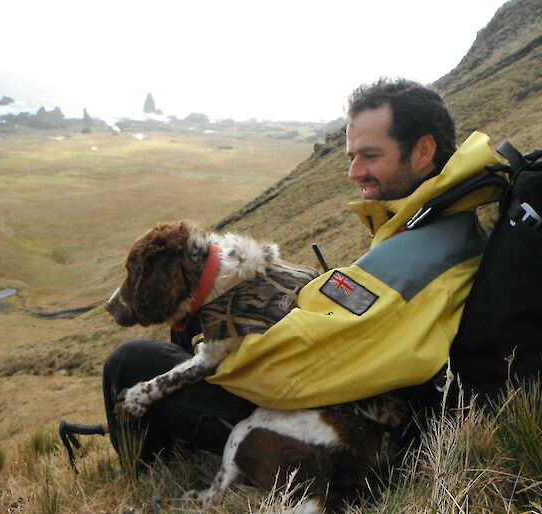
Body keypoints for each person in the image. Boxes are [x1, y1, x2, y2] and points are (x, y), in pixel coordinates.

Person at [102, 78, 501, 467]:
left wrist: (213, 348)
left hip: (351, 440)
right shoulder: (438, 223)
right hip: (349, 387)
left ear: (423, 151)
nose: (354, 172)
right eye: (351, 157)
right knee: (187, 325)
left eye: (370, 155)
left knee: (132, 361)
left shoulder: (423, 257)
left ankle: (148, 465)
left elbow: (293, 374)